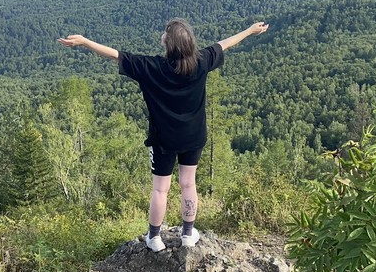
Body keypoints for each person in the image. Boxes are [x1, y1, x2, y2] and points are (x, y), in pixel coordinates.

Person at [57, 17, 270, 251]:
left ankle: (154, 238)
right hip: (193, 137)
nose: (163, 35)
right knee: (188, 184)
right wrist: (250, 31)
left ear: (169, 44)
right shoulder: (201, 61)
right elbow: (225, 43)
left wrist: (85, 41)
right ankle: (188, 234)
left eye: (165, 34)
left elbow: (115, 55)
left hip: (163, 140)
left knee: (160, 189)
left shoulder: (152, 67)